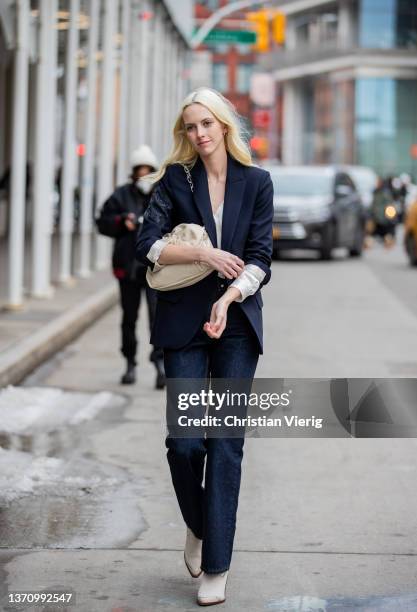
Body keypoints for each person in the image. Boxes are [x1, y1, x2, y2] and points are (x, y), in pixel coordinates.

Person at [136, 88, 273, 606]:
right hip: (182, 323)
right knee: (187, 442)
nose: (199, 134)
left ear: (223, 125)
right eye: (190, 127)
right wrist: (205, 253)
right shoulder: (176, 180)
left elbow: (260, 257)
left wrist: (231, 295)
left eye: (206, 124)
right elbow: (146, 244)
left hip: (236, 322)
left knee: (225, 443)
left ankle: (217, 563)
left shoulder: (257, 182)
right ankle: (198, 524)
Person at [96, 145, 165, 388]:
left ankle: (160, 364)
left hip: (156, 269)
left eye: (148, 170)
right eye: (140, 170)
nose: (143, 174)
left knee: (158, 319)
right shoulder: (121, 195)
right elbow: (102, 222)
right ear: (134, 172)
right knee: (129, 317)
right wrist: (120, 222)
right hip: (128, 268)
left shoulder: (162, 195)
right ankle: (130, 363)